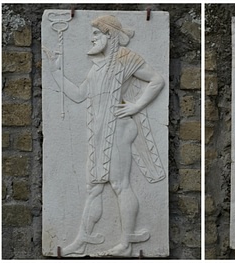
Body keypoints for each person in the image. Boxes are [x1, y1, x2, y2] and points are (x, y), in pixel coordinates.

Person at [43, 15, 166, 257]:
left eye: (96, 34)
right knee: (94, 187)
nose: (92, 37)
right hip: (98, 133)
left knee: (120, 185)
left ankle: (126, 242)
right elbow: (79, 95)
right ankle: (82, 238)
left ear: (109, 35)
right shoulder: (96, 68)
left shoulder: (126, 59)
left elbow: (157, 80)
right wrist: (56, 73)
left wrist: (136, 105)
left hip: (119, 129)